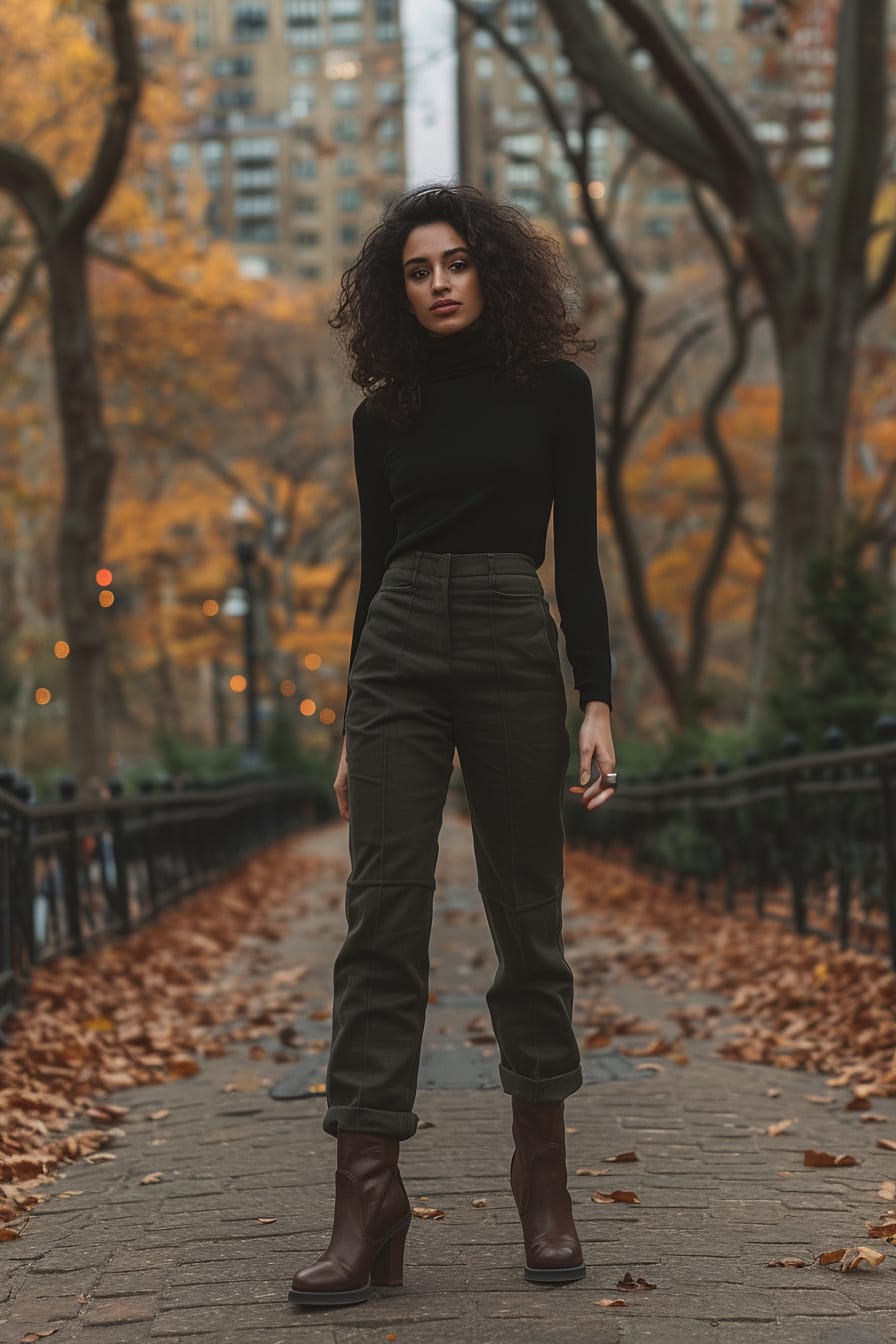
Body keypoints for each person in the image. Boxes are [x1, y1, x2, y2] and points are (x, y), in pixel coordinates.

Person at [289, 183, 616, 1308]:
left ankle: (542, 1179)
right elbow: (377, 574)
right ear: (397, 289)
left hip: (510, 638)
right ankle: (365, 1192)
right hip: (394, 655)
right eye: (416, 270)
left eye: (455, 264)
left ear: (491, 272)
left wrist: (599, 698)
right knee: (380, 914)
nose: (436, 283)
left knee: (526, 912)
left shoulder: (554, 394)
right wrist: (348, 719)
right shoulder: (383, 415)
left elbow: (575, 552)